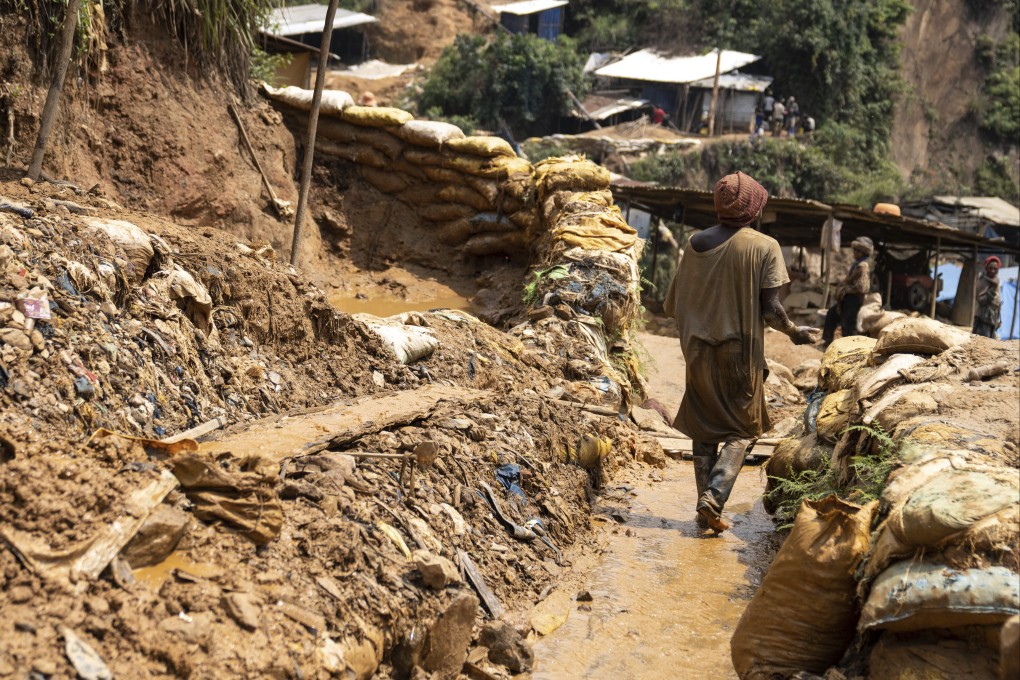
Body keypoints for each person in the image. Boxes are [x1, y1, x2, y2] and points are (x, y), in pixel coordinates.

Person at [663, 172, 819, 533]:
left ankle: (706, 507)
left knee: (703, 428)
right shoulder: (764, 246)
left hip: (696, 349)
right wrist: (795, 333)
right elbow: (771, 310)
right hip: (738, 351)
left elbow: (675, 302)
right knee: (743, 429)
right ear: (754, 207)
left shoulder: (694, 243)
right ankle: (714, 499)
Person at [822, 236, 874, 345]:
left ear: (862, 252)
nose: (854, 252)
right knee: (832, 315)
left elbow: (862, 287)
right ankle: (827, 342)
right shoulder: (856, 264)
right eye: (854, 250)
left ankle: (850, 348)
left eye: (856, 250)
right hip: (847, 299)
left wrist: (845, 289)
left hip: (854, 300)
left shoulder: (862, 266)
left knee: (848, 325)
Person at [973, 256, 1002, 338]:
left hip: (992, 319)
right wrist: (991, 292)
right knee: (982, 342)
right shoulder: (982, 280)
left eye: (995, 269)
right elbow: (980, 300)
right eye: (990, 268)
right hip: (983, 318)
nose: (993, 271)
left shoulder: (996, 281)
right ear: (986, 268)